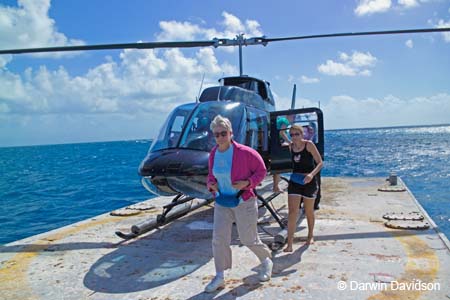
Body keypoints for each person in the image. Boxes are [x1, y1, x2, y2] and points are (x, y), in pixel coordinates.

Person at [205, 115, 273, 293]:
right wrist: (211, 185)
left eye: (223, 133)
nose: (220, 137)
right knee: (218, 239)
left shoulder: (245, 152)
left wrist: (247, 183)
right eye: (217, 134)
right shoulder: (213, 153)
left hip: (244, 201)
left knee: (248, 239)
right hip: (222, 201)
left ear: (231, 133)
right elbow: (211, 176)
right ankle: (220, 275)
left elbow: (261, 170)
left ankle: (266, 262)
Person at [284, 124, 323, 252]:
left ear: (302, 134)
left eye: (297, 134)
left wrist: (312, 175)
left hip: (309, 181)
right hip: (295, 181)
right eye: (292, 135)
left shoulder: (309, 145)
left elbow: (320, 163)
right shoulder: (291, 147)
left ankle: (310, 235)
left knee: (308, 210)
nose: (295, 137)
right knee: (292, 212)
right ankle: (289, 243)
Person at [273, 114, 294, 192]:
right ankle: (276, 187)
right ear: (290, 116)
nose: (293, 119)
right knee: (279, 166)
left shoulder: (280, 120)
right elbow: (281, 133)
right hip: (277, 144)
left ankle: (276, 186)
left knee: (277, 167)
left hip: (274, 143)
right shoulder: (285, 121)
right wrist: (290, 142)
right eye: (293, 117)